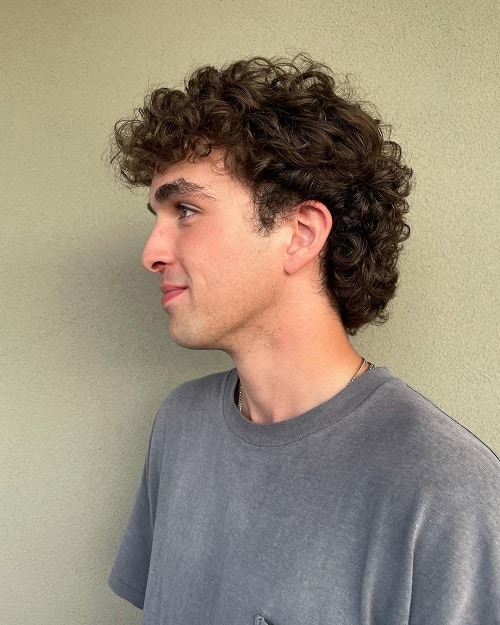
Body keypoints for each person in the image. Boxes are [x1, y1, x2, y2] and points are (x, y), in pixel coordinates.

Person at [108, 55, 499, 625]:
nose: (152, 252)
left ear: (300, 233)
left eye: (186, 210)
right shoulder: (180, 426)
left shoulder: (447, 492)